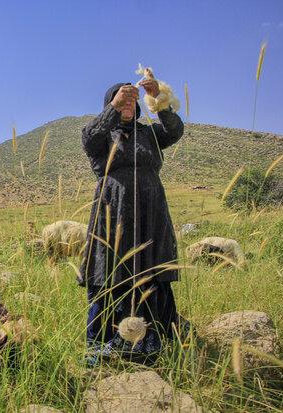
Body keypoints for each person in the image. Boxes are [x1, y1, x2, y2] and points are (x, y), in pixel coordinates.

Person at [79, 73, 188, 366]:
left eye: (132, 101)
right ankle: (102, 344)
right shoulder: (101, 135)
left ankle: (153, 339)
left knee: (151, 271)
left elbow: (175, 131)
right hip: (113, 213)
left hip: (151, 214)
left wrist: (159, 100)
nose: (128, 104)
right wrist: (114, 108)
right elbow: (89, 141)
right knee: (110, 273)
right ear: (110, 104)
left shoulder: (149, 133)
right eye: (122, 101)